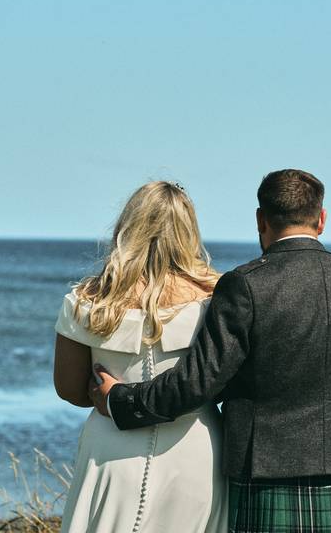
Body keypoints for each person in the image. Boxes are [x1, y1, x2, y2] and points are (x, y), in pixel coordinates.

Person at [91, 169, 331, 533]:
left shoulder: (244, 286)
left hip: (264, 480)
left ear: (261, 219)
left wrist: (121, 400)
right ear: (321, 219)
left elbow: (199, 382)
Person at [52, 180, 228, 533]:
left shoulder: (87, 300)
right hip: (194, 449)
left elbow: (70, 390)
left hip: (111, 450)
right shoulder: (217, 296)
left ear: (127, 227)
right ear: (189, 230)